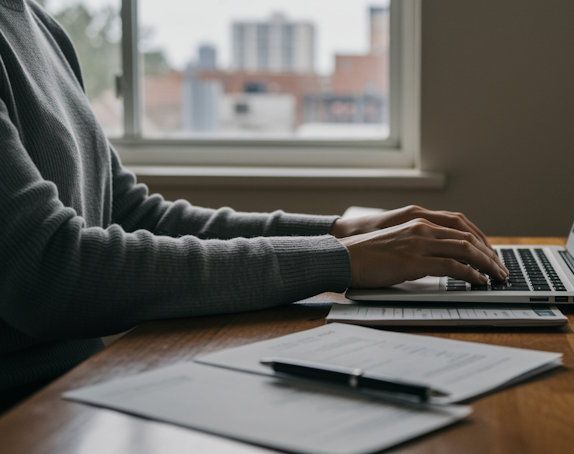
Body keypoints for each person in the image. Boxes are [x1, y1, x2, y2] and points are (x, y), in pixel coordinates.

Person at [0, 0, 508, 412]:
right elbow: (50, 270)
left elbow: (134, 215)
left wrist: (344, 231)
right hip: (27, 416)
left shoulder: (39, 25)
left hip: (83, 392)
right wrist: (341, 259)